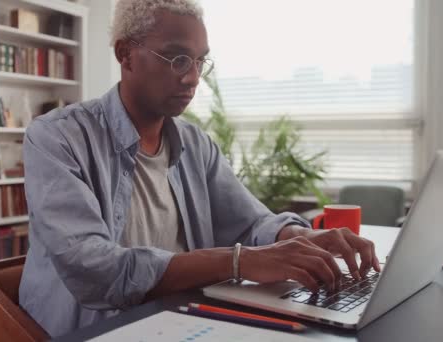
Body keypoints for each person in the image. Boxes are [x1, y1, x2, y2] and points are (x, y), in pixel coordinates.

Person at [19, 0, 380, 337]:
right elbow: (94, 270)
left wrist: (300, 238)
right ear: (126, 54)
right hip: (99, 328)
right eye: (176, 58)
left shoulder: (194, 144)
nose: (192, 78)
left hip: (181, 316)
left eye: (198, 61)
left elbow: (250, 222)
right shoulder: (56, 138)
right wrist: (238, 262)